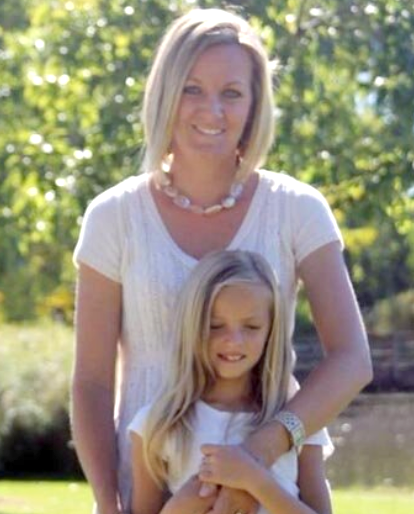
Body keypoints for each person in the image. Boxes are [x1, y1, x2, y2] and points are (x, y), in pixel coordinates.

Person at [71, 7, 372, 514]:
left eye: (232, 93)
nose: (212, 110)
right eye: (192, 89)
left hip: (269, 493)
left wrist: (258, 455)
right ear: (165, 93)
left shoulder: (298, 209)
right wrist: (107, 502)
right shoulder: (113, 217)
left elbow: (351, 360)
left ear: (255, 105)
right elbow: (92, 383)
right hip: (152, 497)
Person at [128, 250, 333, 514]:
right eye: (215, 326)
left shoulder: (298, 419)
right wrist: (178, 509)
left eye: (251, 327)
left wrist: (254, 480)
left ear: (271, 331)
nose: (234, 341)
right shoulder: (157, 425)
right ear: (192, 326)